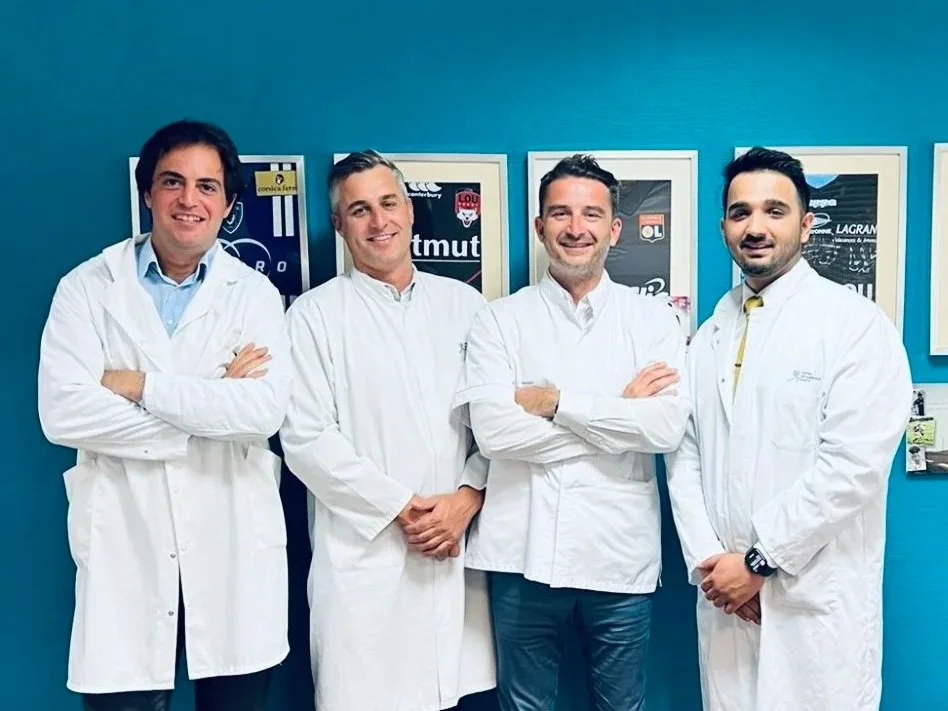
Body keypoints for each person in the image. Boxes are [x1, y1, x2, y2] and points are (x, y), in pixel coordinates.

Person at [37, 119, 292, 711]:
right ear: (146, 191)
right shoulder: (86, 289)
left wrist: (136, 385)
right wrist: (208, 400)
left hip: (231, 539)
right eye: (172, 182)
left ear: (228, 204)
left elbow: (261, 413)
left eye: (207, 187)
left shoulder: (252, 294)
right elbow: (62, 413)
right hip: (125, 541)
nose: (188, 200)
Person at [664, 146, 912, 710]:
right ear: (724, 226)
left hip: (812, 600)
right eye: (740, 212)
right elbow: (684, 452)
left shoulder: (853, 325)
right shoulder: (711, 332)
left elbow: (853, 467)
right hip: (726, 596)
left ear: (807, 225)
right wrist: (714, 566)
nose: (755, 227)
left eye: (775, 211)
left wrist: (759, 561)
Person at [452, 154, 691, 711]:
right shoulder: (499, 320)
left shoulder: (653, 319)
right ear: (539, 227)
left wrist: (555, 403)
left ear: (614, 228)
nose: (575, 228)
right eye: (560, 213)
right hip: (521, 556)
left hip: (619, 556)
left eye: (590, 214)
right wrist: (615, 414)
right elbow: (494, 436)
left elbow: (663, 427)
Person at [278, 150, 496, 711]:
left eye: (389, 202)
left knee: (453, 693)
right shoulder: (313, 315)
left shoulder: (466, 306)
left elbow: (493, 423)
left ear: (411, 211)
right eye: (360, 210)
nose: (379, 222)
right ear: (338, 225)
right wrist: (404, 508)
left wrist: (467, 499)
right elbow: (306, 439)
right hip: (363, 562)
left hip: (453, 552)